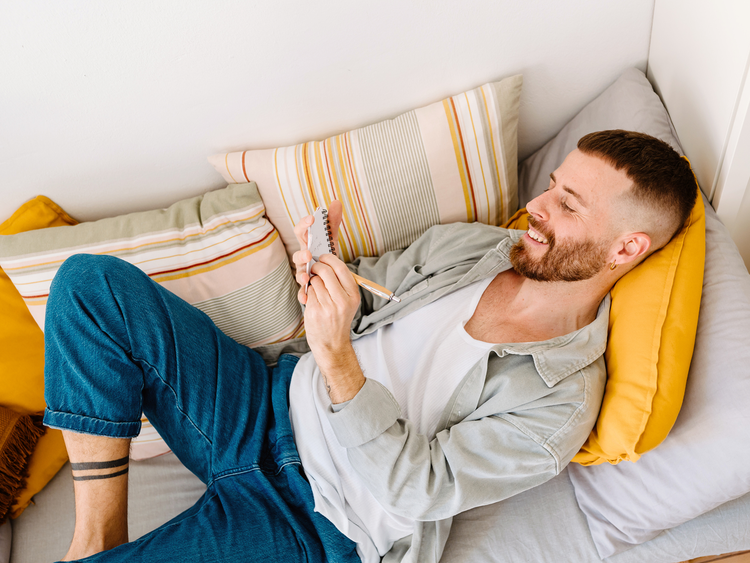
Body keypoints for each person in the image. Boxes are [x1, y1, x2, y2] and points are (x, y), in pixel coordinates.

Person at [43, 130, 697, 562]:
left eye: (569, 204)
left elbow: (417, 489)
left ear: (627, 248)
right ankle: (96, 537)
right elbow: (372, 291)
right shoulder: (478, 247)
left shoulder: (560, 405)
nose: (536, 204)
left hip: (314, 520)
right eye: (551, 184)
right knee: (89, 286)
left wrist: (337, 359)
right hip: (262, 402)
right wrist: (326, 278)